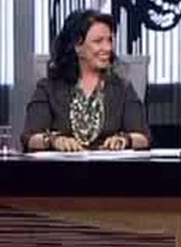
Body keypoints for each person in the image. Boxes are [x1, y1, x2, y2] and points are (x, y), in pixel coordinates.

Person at [22, 9, 151, 151]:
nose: (107, 48)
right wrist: (53, 141)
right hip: (63, 164)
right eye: (98, 41)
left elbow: (143, 138)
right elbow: (30, 138)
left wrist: (125, 139)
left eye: (109, 40)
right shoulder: (48, 88)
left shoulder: (122, 88)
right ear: (77, 46)